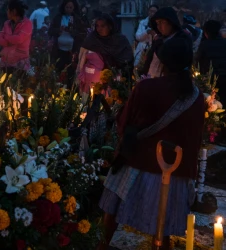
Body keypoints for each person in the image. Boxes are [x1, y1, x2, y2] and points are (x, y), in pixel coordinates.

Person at [97, 36, 204, 250]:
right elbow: (194, 139)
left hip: (138, 162)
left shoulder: (147, 87)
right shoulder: (195, 96)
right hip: (174, 171)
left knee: (112, 215)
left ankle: (101, 245)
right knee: (163, 229)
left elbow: (124, 122)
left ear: (162, 61)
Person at [77, 13, 133, 100]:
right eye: (97, 26)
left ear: (110, 26)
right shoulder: (92, 38)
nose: (99, 29)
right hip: (90, 81)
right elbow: (81, 58)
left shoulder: (120, 40)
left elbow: (127, 59)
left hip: (111, 82)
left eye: (103, 26)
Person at [141, 7, 192, 78]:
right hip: (152, 83)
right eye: (157, 23)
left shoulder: (182, 40)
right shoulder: (161, 38)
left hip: (170, 85)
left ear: (171, 22)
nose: (159, 26)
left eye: (162, 22)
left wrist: (157, 40)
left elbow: (165, 55)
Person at [49, 0, 84, 86]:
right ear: (63, 7)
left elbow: (82, 34)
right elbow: (50, 31)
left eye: (70, 7)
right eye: (67, 7)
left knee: (71, 72)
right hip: (59, 50)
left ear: (74, 8)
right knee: (58, 70)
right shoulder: (58, 18)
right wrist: (58, 30)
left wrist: (72, 32)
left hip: (72, 51)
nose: (68, 9)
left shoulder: (77, 19)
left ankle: (69, 90)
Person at [0, 0, 33, 74]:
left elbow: (19, 39)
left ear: (13, 11)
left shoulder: (27, 23)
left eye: (8, 10)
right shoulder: (7, 23)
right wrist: (9, 42)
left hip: (20, 61)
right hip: (6, 60)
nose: (6, 12)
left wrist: (6, 37)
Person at [196, 20, 226, 104]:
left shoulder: (204, 45)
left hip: (210, 81)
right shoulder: (225, 43)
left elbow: (197, 61)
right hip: (224, 79)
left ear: (206, 32)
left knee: (213, 105)